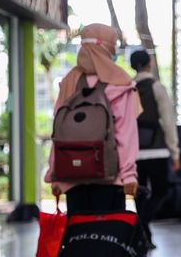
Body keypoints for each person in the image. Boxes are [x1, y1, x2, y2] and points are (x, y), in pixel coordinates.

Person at [46, 23, 140, 214]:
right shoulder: (120, 83)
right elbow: (126, 134)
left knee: (80, 237)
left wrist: (54, 175)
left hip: (71, 176)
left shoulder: (69, 82)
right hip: (109, 177)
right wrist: (129, 176)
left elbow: (58, 131)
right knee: (106, 238)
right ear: (109, 48)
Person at [130, 49, 181, 248]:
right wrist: (175, 152)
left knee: (140, 193)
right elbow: (168, 121)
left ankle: (144, 235)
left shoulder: (129, 88)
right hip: (157, 150)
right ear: (149, 63)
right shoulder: (157, 87)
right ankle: (142, 226)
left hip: (135, 151)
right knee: (161, 191)